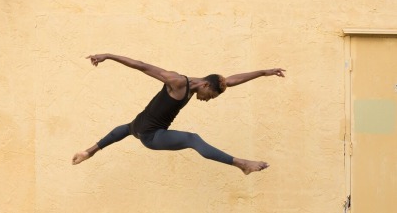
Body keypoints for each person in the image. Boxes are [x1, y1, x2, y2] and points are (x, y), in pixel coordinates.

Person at [71, 54, 285, 175]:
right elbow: (142, 66)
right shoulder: (177, 82)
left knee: (128, 127)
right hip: (152, 136)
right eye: (209, 96)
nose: (206, 100)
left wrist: (264, 72)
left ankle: (87, 153)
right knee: (192, 139)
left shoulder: (199, 85)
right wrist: (108, 56)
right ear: (204, 84)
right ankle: (241, 163)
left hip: (139, 126)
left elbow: (231, 80)